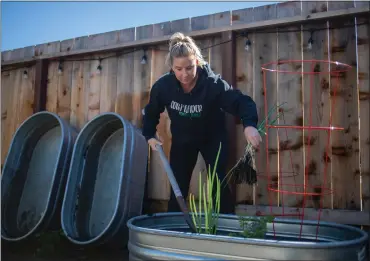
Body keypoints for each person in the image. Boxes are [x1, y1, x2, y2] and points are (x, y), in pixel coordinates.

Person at [142, 32, 261, 214]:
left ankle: (224, 229)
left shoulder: (212, 85)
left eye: (189, 68)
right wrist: (149, 134)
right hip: (183, 140)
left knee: (218, 183)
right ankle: (174, 228)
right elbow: (151, 112)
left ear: (197, 62)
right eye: (178, 69)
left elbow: (241, 102)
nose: (184, 74)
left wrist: (249, 125)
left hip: (212, 138)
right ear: (172, 67)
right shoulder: (163, 87)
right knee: (177, 186)